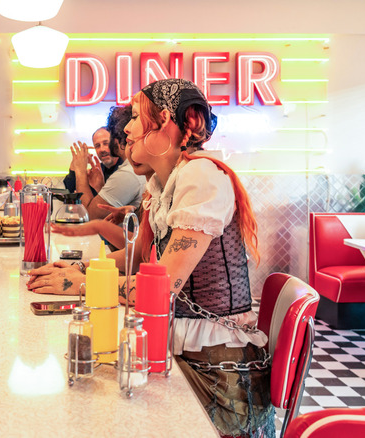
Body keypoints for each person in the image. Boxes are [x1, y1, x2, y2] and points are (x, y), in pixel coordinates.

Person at [28, 79, 273, 437]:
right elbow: (140, 255)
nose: (125, 128)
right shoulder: (163, 184)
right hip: (190, 355)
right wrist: (83, 268)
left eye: (137, 117)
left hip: (219, 376)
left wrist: (84, 285)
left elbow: (159, 291)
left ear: (172, 123)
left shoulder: (202, 176)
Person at [71, 107, 146, 221]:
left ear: (117, 138)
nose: (102, 148)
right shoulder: (131, 169)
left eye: (107, 140)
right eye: (97, 145)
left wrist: (80, 171)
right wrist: (101, 187)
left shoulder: (128, 173)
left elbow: (88, 216)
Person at [62, 127, 121, 196]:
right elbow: (70, 191)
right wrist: (75, 163)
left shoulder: (126, 169)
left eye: (106, 143)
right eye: (97, 146)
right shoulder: (98, 169)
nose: (102, 149)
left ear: (115, 143)